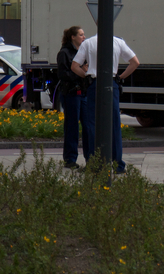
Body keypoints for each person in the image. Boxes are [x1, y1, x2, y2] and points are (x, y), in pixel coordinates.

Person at [72, 34, 140, 174]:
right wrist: (120, 78)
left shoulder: (88, 43)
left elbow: (74, 66)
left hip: (94, 84)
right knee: (114, 123)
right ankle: (118, 164)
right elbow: (135, 62)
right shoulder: (118, 42)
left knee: (92, 124)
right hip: (111, 82)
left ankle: (93, 163)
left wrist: (86, 76)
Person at [57, 26, 89, 170]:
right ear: (73, 37)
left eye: (83, 34)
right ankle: (70, 159)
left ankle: (91, 157)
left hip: (83, 93)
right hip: (71, 93)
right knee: (72, 127)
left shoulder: (83, 52)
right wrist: (80, 71)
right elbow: (64, 75)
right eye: (81, 35)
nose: (84, 37)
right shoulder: (64, 53)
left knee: (88, 127)